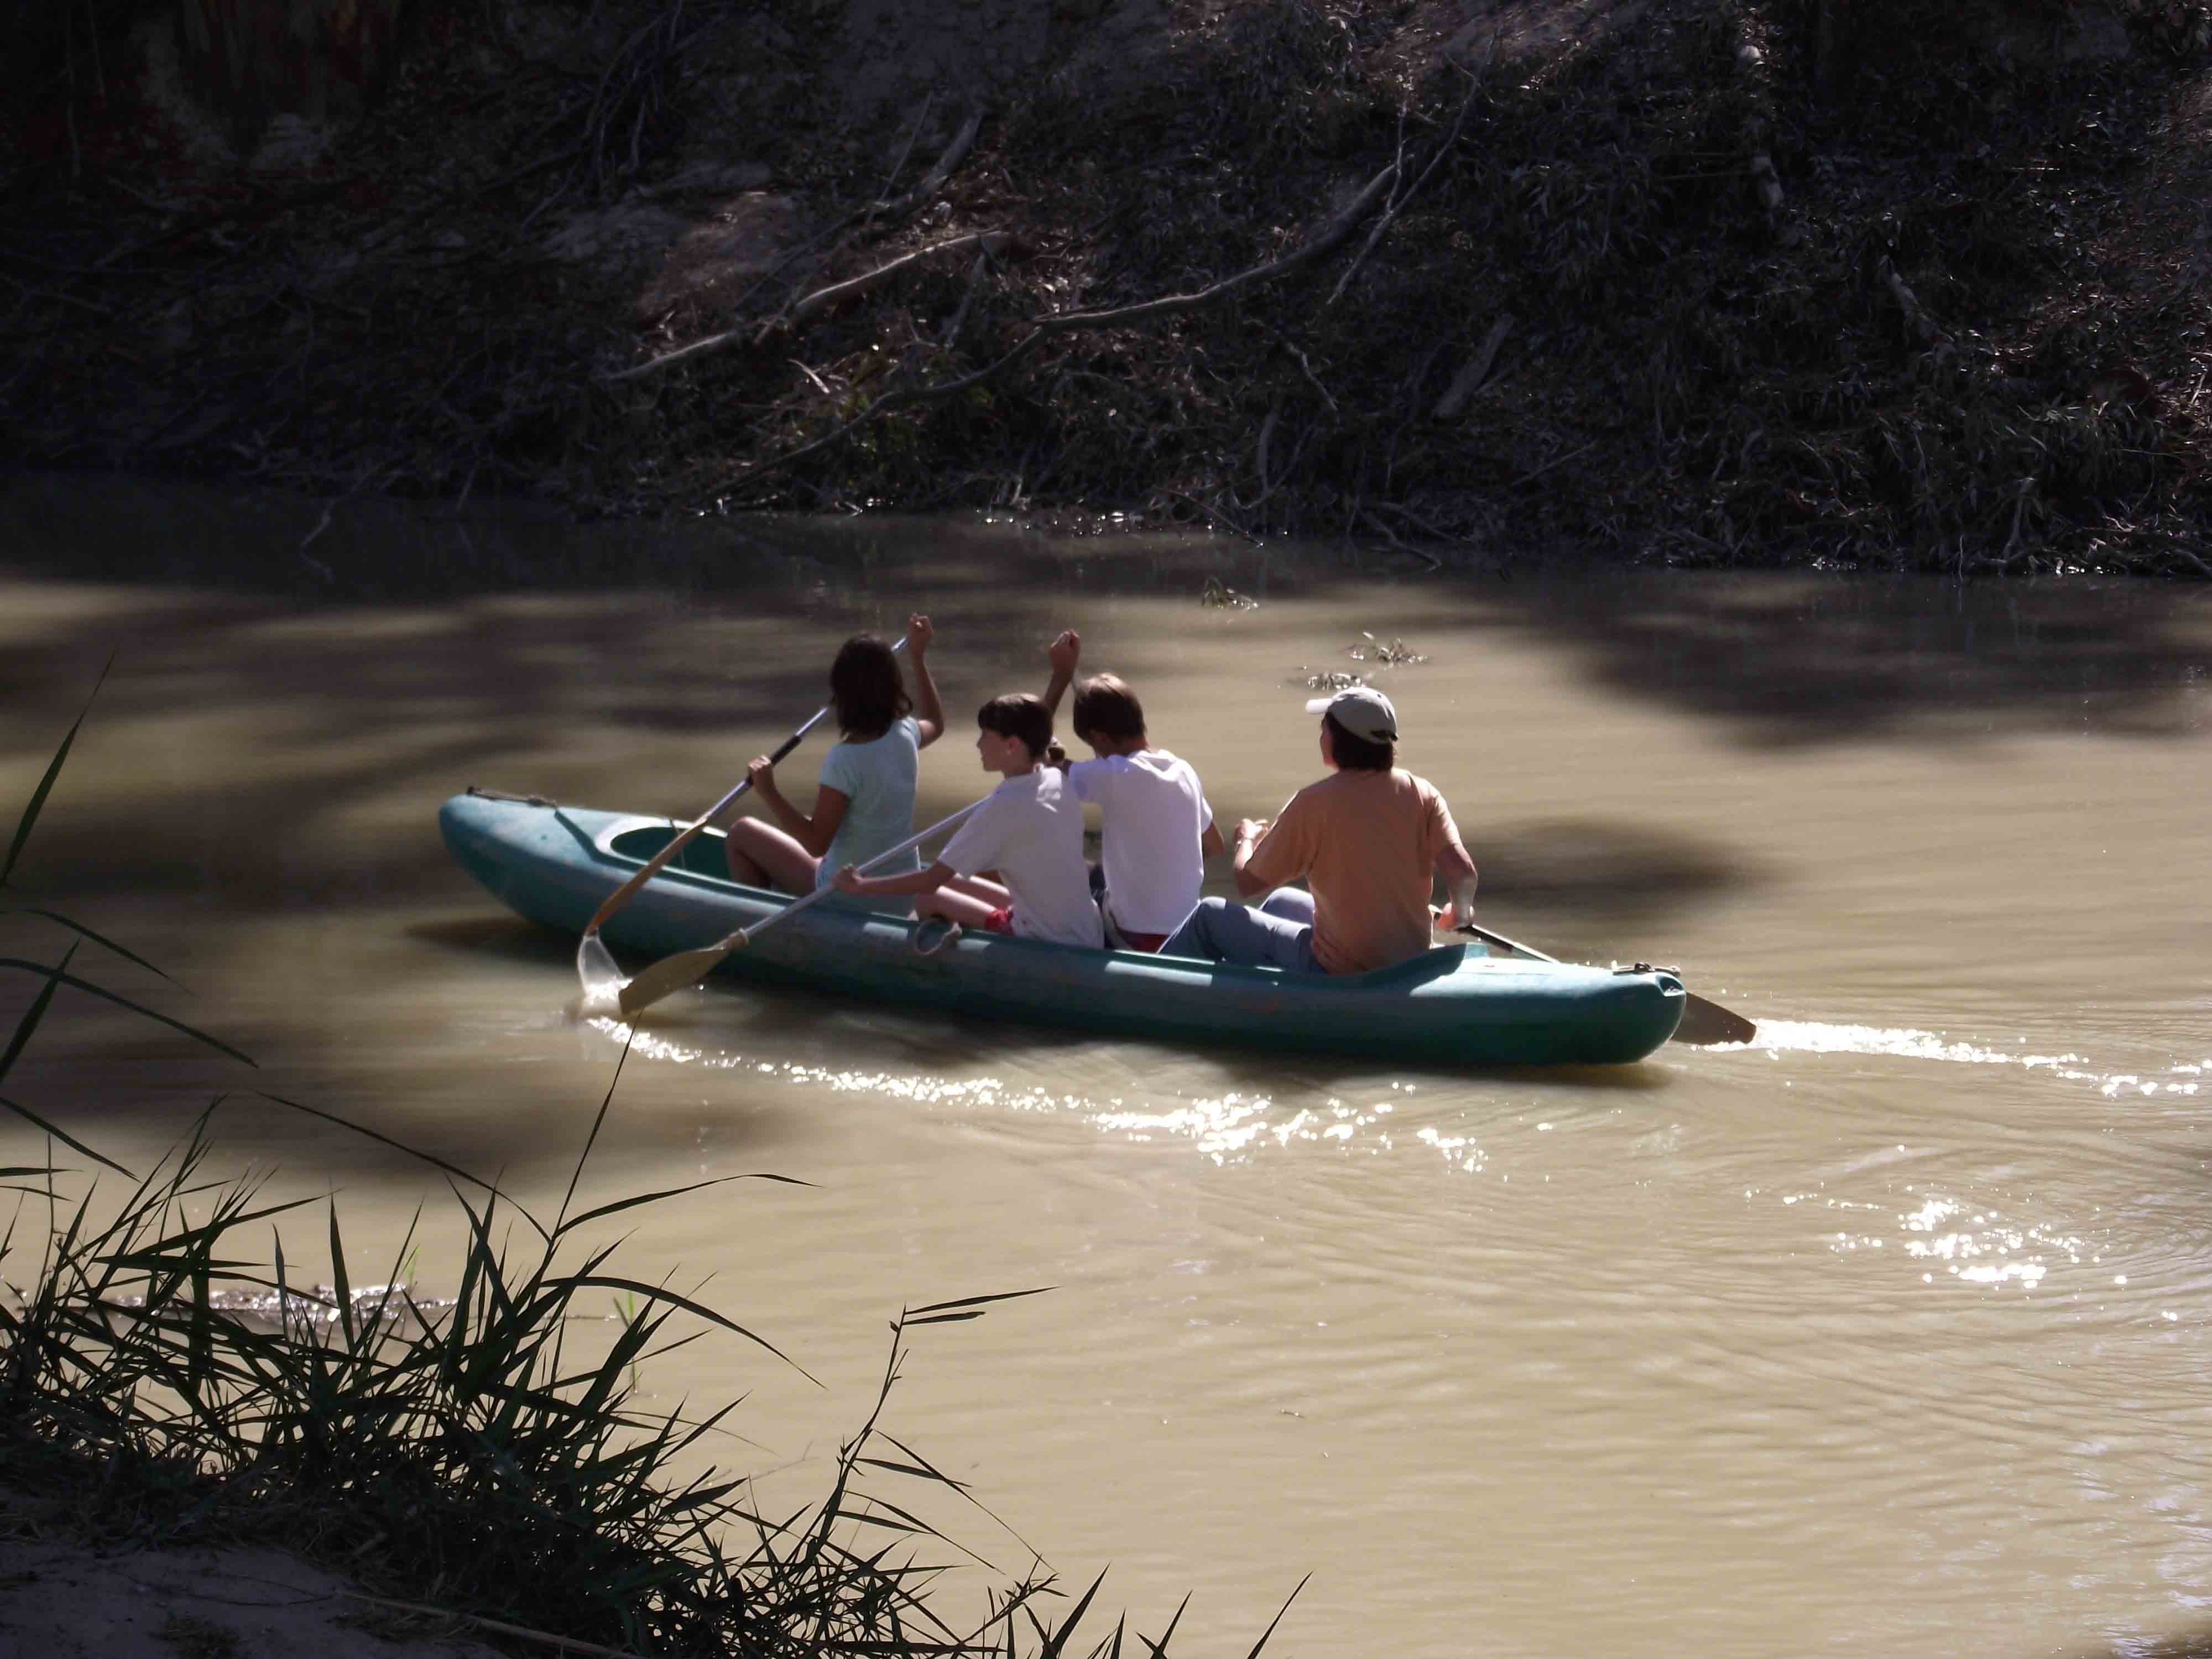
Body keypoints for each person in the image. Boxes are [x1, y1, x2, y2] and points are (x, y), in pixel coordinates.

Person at [1160, 686, 1477, 974]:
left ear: (1340, 740)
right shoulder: (1422, 793)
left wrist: (1247, 839)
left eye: (1325, 727)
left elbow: (1247, 881)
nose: (1321, 734)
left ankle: (1147, 984)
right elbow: (1463, 871)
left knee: (1209, 915)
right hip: (1411, 955)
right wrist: (1459, 914)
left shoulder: (1313, 804)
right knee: (1282, 900)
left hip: (1343, 968)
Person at [832, 693, 1103, 948]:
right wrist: (1060, 675)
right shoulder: (1057, 777)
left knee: (928, 897)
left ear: (1012, 745)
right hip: (1089, 928)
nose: (978, 744)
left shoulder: (999, 810)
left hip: (1051, 939)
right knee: (956, 882)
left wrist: (861, 886)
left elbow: (930, 882)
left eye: (985, 735)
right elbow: (1039, 730)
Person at [723, 615, 944, 906]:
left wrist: (769, 792)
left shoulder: (845, 758)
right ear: (893, 685)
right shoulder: (905, 732)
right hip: (899, 891)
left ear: (842, 695)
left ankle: (764, 928)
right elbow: (935, 722)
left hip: (847, 892)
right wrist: (918, 655)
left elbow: (816, 844)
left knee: (742, 833)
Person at [1038, 629, 1225, 952]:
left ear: (1100, 738)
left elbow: (1030, 753)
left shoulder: (1114, 774)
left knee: (1044, 869)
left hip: (1134, 937)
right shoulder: (1183, 770)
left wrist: (1061, 677)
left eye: (1092, 746)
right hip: (1186, 928)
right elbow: (1214, 845)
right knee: (1091, 871)